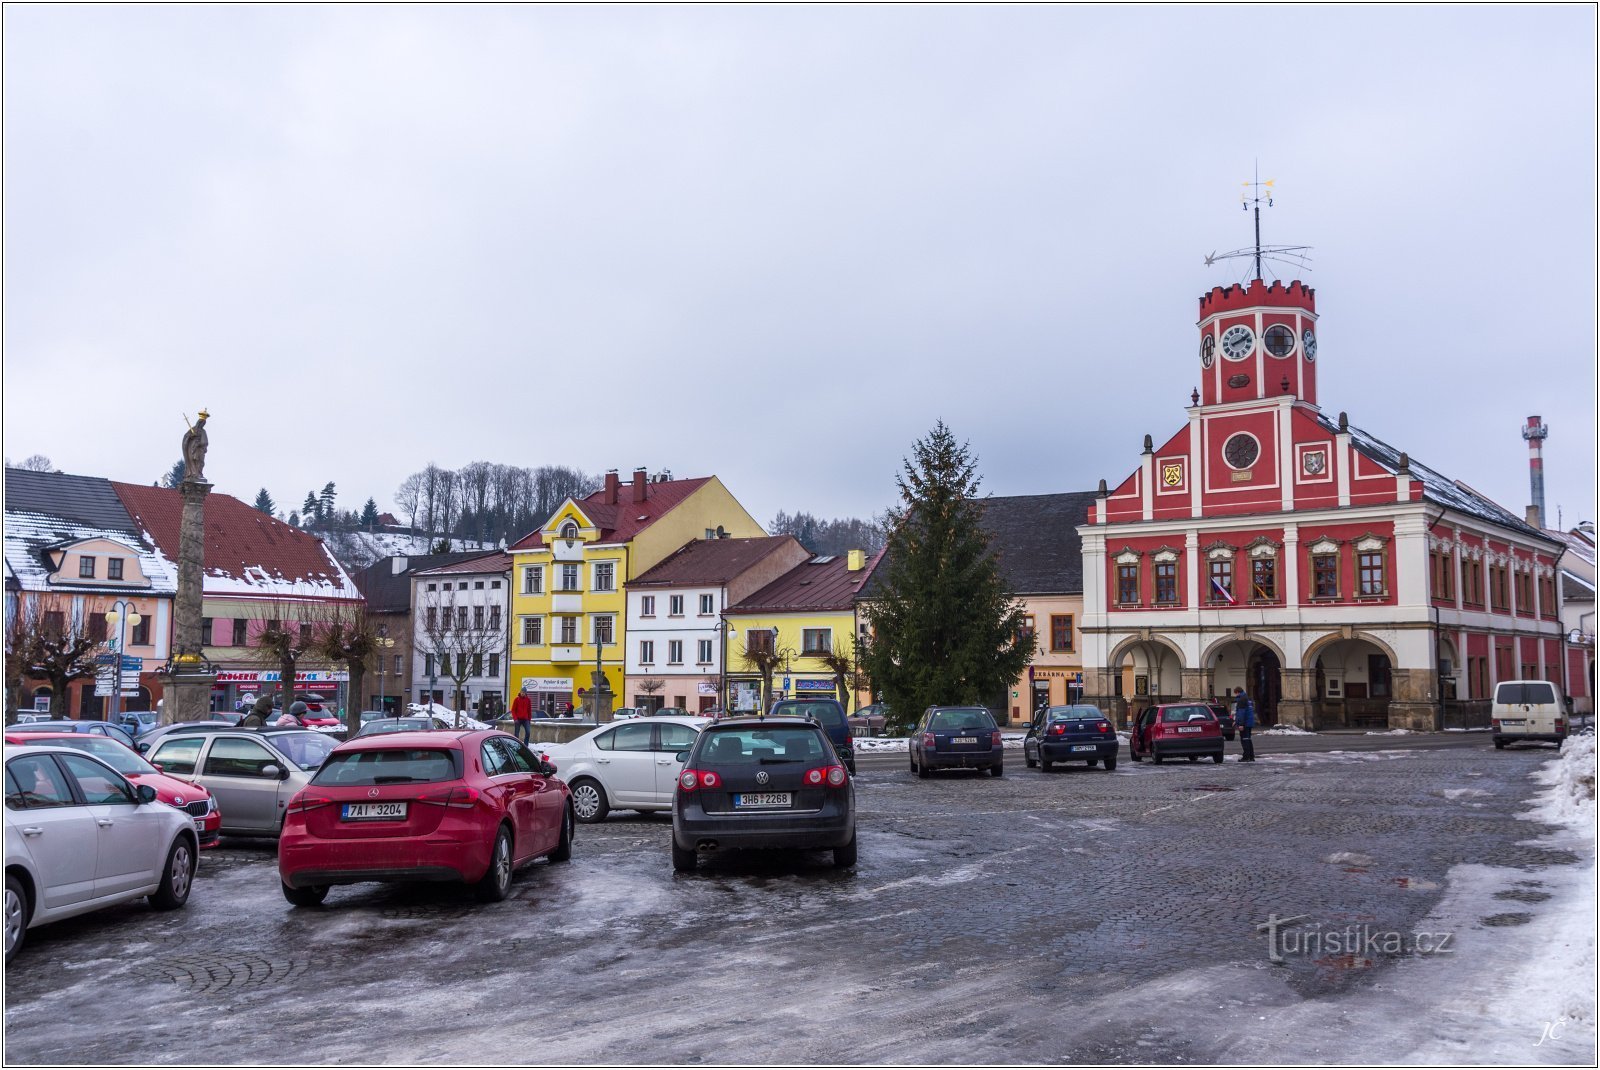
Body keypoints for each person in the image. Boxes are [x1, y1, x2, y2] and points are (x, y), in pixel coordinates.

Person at [1233, 687, 1256, 762]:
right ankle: (1251, 756)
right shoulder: (1248, 699)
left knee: (1244, 740)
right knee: (1248, 739)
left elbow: (1241, 713)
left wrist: (1241, 724)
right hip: (1249, 722)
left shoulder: (1242, 699)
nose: (1235, 695)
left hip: (1245, 723)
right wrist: (1236, 721)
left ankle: (1246, 757)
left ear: (1237, 692)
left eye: (1235, 693)